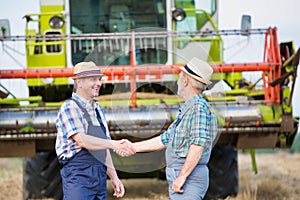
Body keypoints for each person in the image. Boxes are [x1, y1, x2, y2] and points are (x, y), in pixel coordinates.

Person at [133, 57, 219, 199]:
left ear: (185, 80)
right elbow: (165, 138)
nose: (177, 82)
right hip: (183, 175)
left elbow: (198, 145)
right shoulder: (189, 109)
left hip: (189, 177)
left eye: (179, 78)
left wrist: (182, 177)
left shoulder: (198, 109)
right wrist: (133, 147)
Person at [55, 61, 135, 200]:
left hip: (99, 176)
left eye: (99, 79)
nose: (99, 83)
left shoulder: (98, 109)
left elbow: (104, 148)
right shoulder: (70, 108)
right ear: (79, 82)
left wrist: (114, 178)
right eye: (93, 79)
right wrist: (114, 144)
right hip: (79, 175)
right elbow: (82, 140)